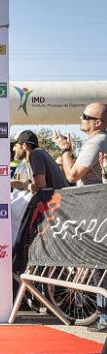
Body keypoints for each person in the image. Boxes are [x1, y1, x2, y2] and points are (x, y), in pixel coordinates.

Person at [54, 102, 107, 333]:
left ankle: (104, 317)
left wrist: (65, 150)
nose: (80, 118)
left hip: (97, 211)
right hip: (97, 209)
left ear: (98, 122)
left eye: (85, 116)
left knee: (99, 265)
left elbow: (72, 174)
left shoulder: (96, 141)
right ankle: (102, 314)